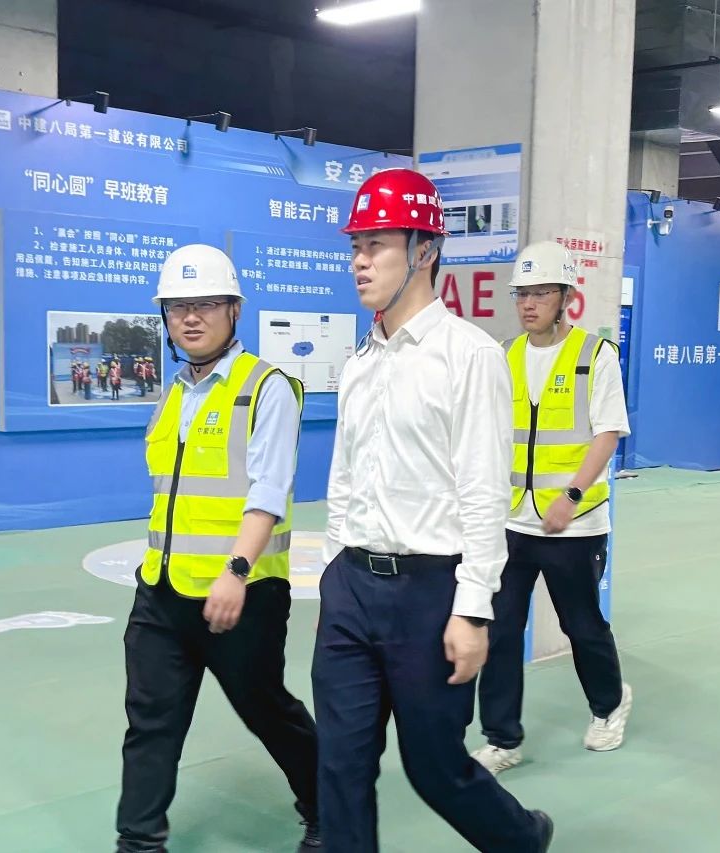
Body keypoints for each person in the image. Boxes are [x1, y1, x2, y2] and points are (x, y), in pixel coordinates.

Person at [313, 168, 554, 852]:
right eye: (355, 245)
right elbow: (345, 476)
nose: (359, 261)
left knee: (435, 767)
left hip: (430, 593)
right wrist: (333, 569)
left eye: (376, 244)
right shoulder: (361, 361)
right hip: (351, 588)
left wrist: (472, 609)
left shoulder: (468, 356)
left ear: (424, 251)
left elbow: (483, 493)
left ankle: (521, 839)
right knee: (340, 765)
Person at [116, 243, 320, 853]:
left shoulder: (266, 387)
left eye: (205, 304)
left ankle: (330, 808)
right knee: (150, 722)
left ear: (234, 310)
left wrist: (236, 569)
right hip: (162, 591)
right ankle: (138, 842)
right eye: (177, 306)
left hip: (242, 594)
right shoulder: (173, 393)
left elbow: (269, 489)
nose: (190, 317)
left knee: (266, 710)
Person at [471, 241, 633, 775]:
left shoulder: (594, 354)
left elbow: (608, 434)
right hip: (513, 520)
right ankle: (502, 737)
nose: (529, 303)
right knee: (500, 629)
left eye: (540, 293)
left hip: (574, 525)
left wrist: (571, 496)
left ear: (565, 297)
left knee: (581, 626)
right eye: (522, 294)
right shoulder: (506, 355)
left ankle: (609, 705)